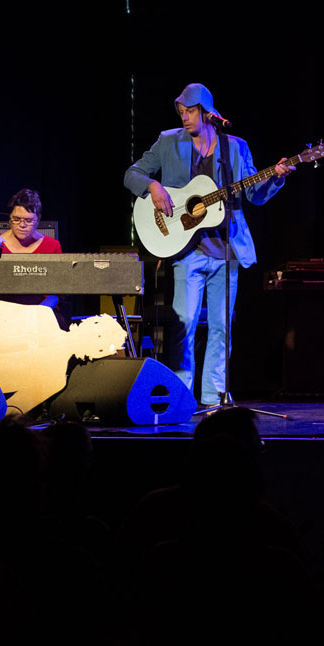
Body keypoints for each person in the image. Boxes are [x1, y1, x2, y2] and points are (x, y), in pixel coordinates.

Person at [124, 83, 292, 407]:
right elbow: (132, 174)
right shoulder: (168, 141)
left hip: (226, 250)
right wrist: (153, 186)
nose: (184, 117)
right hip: (187, 251)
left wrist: (276, 176)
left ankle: (215, 396)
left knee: (221, 328)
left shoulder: (235, 147)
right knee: (184, 326)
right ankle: (181, 396)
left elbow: (253, 195)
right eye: (181, 112)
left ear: (206, 112)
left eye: (190, 111)